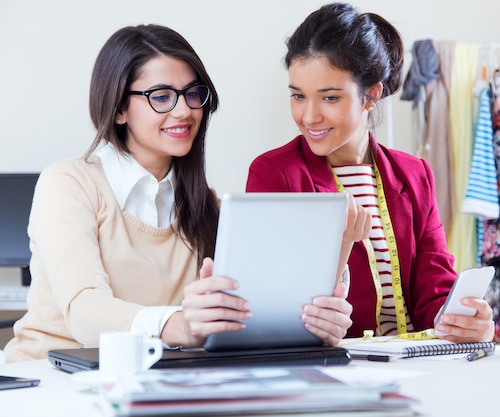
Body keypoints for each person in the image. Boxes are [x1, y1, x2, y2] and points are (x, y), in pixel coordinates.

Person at [4, 24, 352, 362]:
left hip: (154, 379)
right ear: (119, 108)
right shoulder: (68, 184)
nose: (185, 110)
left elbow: (249, 310)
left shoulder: (208, 206)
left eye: (192, 94)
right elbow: (84, 311)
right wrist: (180, 324)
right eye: (161, 97)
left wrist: (315, 323)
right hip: (49, 379)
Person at [246, 2, 495, 343]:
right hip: (333, 370)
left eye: (329, 98)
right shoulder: (274, 175)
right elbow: (275, 303)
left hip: (417, 368)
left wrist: (465, 320)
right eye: (298, 96)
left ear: (370, 95)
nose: (309, 116)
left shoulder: (414, 174)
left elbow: (435, 293)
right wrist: (342, 243)